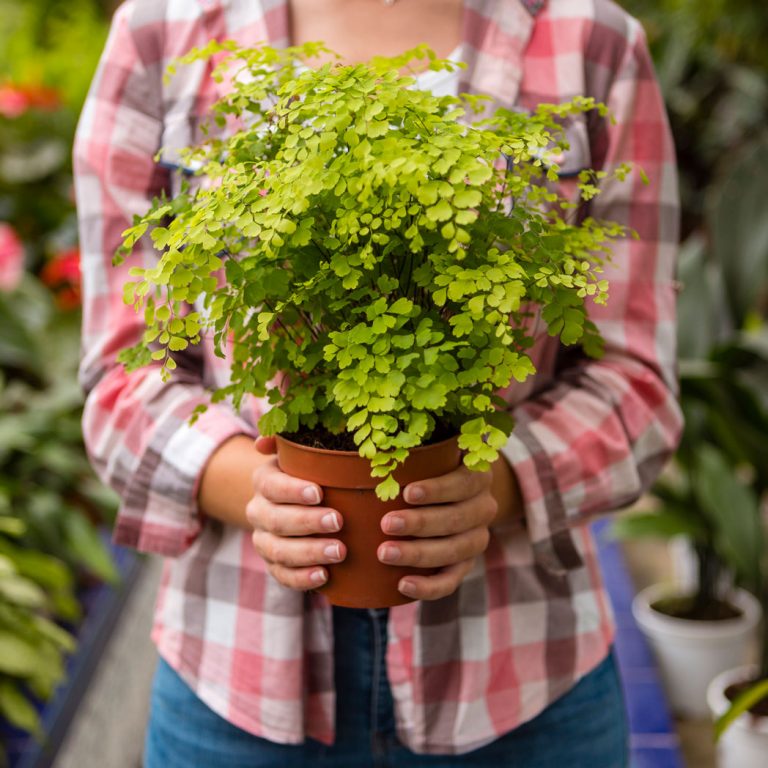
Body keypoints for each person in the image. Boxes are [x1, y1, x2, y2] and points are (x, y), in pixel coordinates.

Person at [73, 0, 681, 765]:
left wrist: (496, 488)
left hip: (523, 681)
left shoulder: (593, 39)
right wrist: (256, 489)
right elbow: (120, 377)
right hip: (236, 685)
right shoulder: (160, 33)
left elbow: (638, 384)